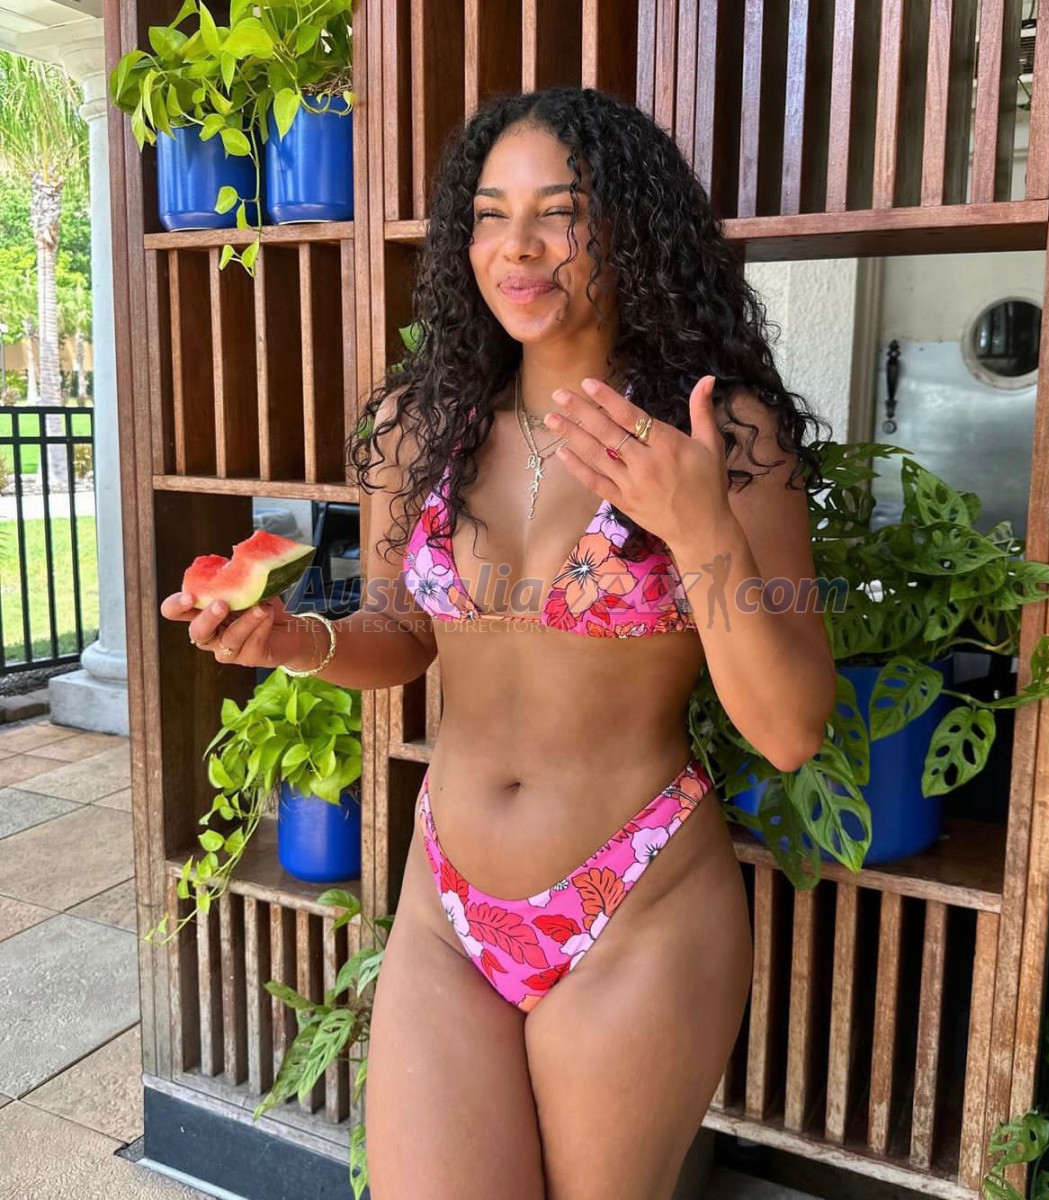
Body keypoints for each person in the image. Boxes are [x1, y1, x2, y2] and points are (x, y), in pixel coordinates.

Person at [161, 85, 834, 1200]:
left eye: (558, 212)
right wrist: (291, 639)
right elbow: (400, 634)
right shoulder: (420, 426)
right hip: (448, 899)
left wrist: (703, 524)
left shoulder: (719, 434)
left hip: (638, 901)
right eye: (489, 214)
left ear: (629, 229)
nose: (516, 246)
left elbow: (790, 729)